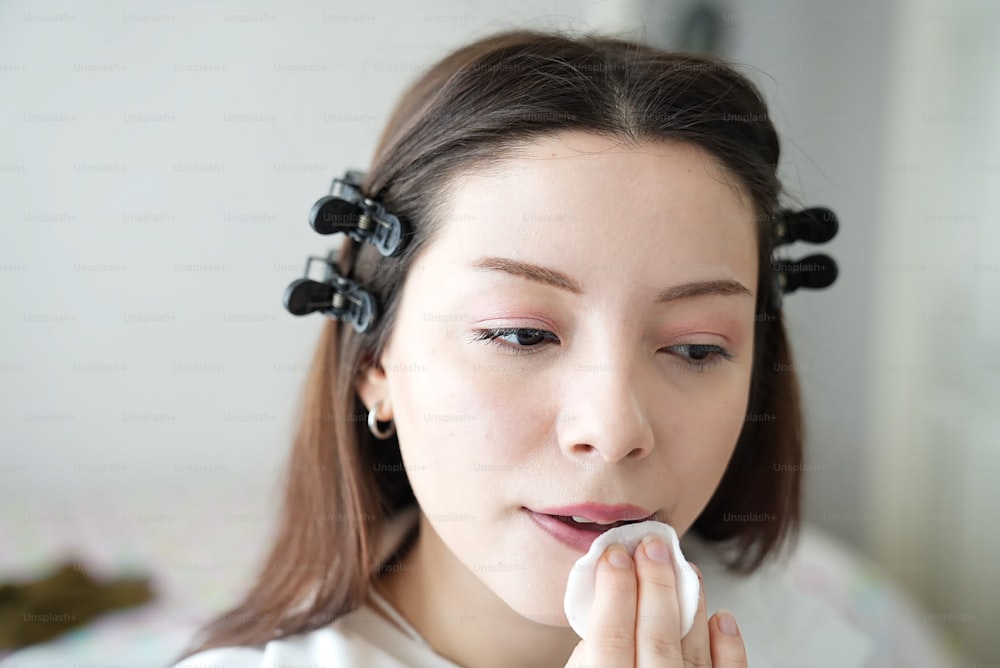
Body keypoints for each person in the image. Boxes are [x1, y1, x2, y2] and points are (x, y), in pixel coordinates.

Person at [172, 28, 864, 667]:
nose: (614, 429)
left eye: (696, 348)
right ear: (375, 363)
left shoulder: (812, 647)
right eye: (521, 335)